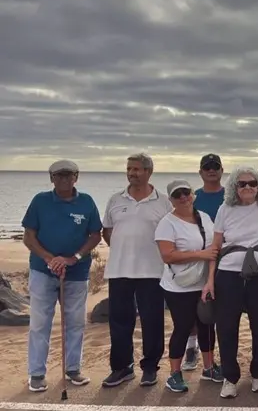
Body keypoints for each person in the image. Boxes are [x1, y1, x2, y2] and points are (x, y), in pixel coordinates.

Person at [205, 166, 258, 398]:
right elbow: (215, 248)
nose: (248, 187)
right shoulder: (225, 208)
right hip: (228, 274)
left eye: (252, 183)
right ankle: (230, 378)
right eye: (242, 184)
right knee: (227, 328)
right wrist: (210, 280)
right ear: (234, 187)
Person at [22, 160, 102, 392]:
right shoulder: (40, 201)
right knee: (40, 323)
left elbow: (95, 235)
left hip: (76, 272)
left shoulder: (86, 202)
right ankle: (36, 373)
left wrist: (74, 257)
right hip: (42, 271)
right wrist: (50, 259)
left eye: (69, 175)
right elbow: (29, 236)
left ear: (76, 177)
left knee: (75, 322)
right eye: (59, 176)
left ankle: (73, 369)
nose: (64, 179)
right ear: (51, 179)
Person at [101, 153, 173, 388]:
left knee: (152, 321)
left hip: (152, 271)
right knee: (120, 321)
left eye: (137, 169)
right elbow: (108, 232)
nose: (132, 173)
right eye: (129, 168)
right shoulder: (115, 199)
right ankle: (122, 368)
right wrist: (126, 249)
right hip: (119, 270)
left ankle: (150, 367)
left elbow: (171, 233)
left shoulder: (163, 201)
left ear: (148, 172)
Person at [155, 180, 222, 392]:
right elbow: (167, 256)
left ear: (193, 194)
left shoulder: (204, 217)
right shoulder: (167, 223)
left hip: (203, 282)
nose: (183, 197)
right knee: (183, 327)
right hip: (179, 286)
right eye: (177, 195)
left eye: (186, 192)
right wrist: (199, 254)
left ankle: (209, 367)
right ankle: (174, 374)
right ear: (171, 199)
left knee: (207, 326)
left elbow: (214, 249)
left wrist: (211, 279)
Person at [185, 153, 225, 372]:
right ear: (200, 172)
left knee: (218, 310)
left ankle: (216, 356)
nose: (211, 170)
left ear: (221, 170)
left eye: (215, 166)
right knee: (195, 308)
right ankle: (191, 348)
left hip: (225, 261)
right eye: (207, 167)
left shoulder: (230, 197)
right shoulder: (193, 197)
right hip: (197, 260)